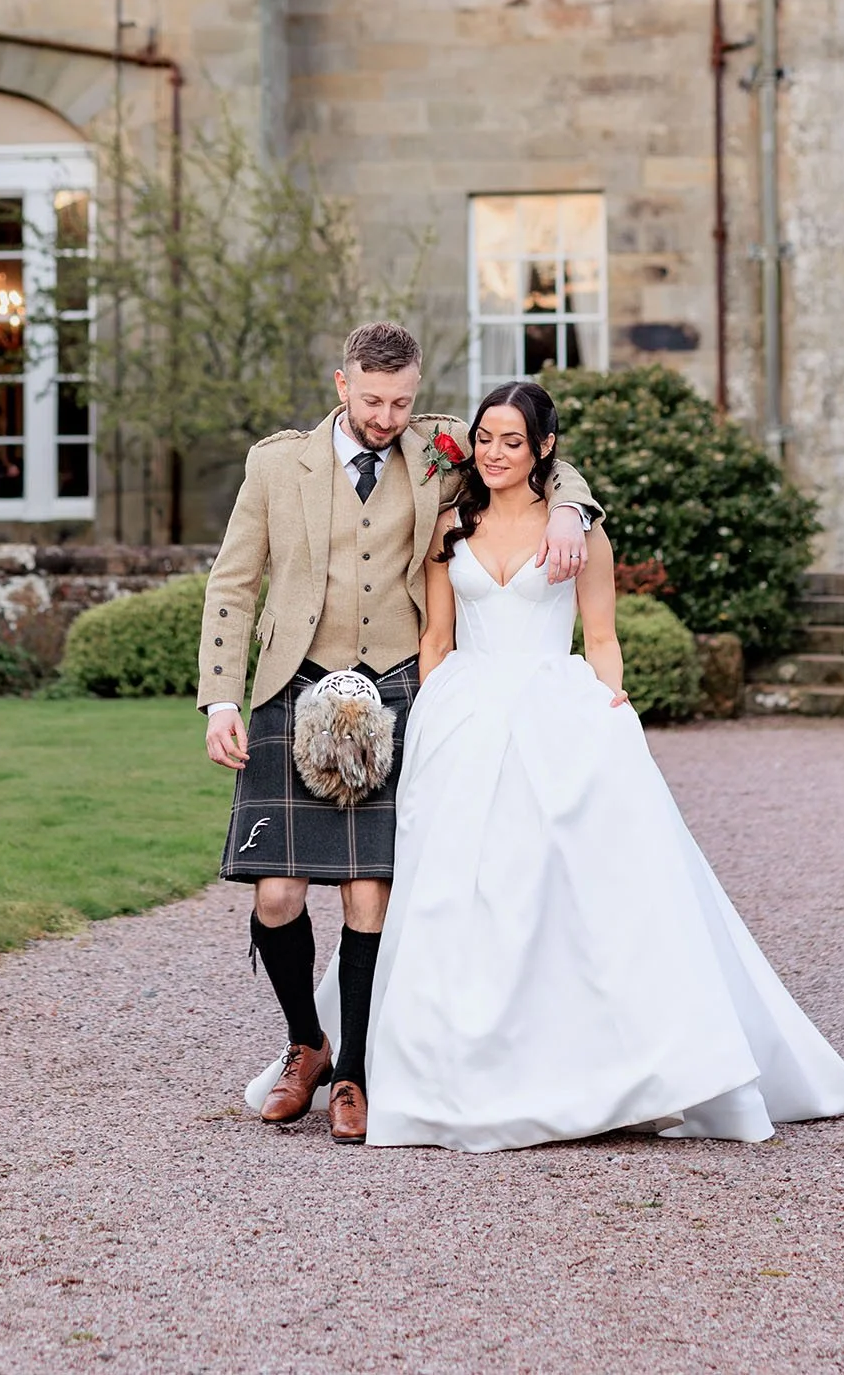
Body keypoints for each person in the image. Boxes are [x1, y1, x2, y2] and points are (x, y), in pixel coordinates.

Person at [255, 377, 844, 1149]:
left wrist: (612, 707)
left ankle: (598, 1064)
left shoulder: (579, 529)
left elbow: (603, 639)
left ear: (543, 447)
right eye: (484, 438)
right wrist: (413, 723)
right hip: (463, 711)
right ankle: (427, 1062)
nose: (493, 452)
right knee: (453, 889)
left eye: (512, 441)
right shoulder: (448, 524)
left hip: (555, 707)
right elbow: (435, 640)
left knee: (565, 886)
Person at [200, 324, 602, 1144]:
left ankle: (354, 1075)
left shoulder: (436, 448)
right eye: (374, 399)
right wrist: (219, 698)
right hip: (294, 683)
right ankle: (305, 1045)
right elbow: (234, 582)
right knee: (276, 895)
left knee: (368, 893)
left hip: (397, 687)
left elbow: (531, 449)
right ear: (340, 381)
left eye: (403, 401)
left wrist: (571, 507)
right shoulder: (277, 463)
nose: (388, 416)